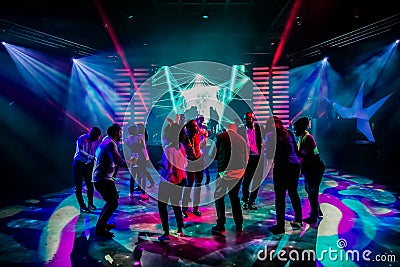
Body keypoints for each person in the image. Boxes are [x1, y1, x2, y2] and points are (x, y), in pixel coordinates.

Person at [92, 123, 133, 238]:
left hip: (102, 178)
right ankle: (100, 228)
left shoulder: (107, 140)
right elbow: (118, 161)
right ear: (116, 132)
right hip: (103, 179)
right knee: (113, 203)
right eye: (120, 132)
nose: (122, 134)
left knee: (111, 201)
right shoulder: (110, 144)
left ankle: (102, 224)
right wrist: (132, 163)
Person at [209, 124, 248, 236]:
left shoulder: (220, 137)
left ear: (225, 128)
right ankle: (239, 225)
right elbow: (246, 158)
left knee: (219, 196)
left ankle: (221, 224)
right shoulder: (242, 139)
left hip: (224, 173)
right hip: (239, 173)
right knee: (234, 198)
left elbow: (211, 154)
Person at [265, 116, 302, 235]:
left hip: (282, 167)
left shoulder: (270, 135)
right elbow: (296, 150)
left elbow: (270, 155)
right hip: (294, 166)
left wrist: (265, 151)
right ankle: (298, 220)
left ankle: (280, 227)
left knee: (280, 197)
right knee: (293, 192)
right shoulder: (289, 133)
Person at [157, 123, 187, 241]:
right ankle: (180, 230)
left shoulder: (168, 148)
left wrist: (160, 164)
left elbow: (168, 169)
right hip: (180, 179)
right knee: (176, 205)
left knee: (162, 206)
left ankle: (166, 233)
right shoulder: (181, 146)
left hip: (168, 181)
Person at [293, 117, 325, 224]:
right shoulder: (302, 137)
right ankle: (317, 211)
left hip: (315, 167)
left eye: (296, 129)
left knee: (312, 191)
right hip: (310, 167)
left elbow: (307, 155)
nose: (294, 131)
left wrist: (294, 151)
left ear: (301, 128)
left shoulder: (308, 138)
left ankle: (313, 216)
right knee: (309, 190)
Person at [238, 112, 264, 210]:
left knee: (257, 181)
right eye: (245, 119)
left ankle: (252, 201)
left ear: (253, 119)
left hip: (257, 158)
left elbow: (262, 142)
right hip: (247, 158)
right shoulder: (240, 130)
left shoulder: (259, 129)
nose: (247, 121)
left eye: (249, 119)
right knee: (246, 181)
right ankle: (245, 200)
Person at [72, 126, 101, 213]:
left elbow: (96, 151)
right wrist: (91, 157)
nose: (97, 139)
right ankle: (82, 206)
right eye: (96, 137)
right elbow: (81, 151)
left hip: (88, 165)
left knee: (90, 185)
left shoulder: (96, 141)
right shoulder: (82, 138)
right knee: (78, 187)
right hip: (78, 164)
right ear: (91, 134)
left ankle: (90, 204)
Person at [181, 119, 204, 217]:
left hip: (199, 161)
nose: (196, 127)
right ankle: (184, 209)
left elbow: (206, 133)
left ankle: (195, 208)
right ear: (188, 128)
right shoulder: (184, 137)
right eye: (194, 126)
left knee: (198, 185)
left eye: (196, 126)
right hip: (190, 162)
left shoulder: (198, 135)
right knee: (189, 185)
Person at [196, 115, 211, 185]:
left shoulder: (204, 127)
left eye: (202, 119)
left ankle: (207, 176)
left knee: (204, 163)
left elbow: (206, 137)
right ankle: (197, 178)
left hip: (202, 147)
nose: (201, 121)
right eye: (200, 119)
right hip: (196, 147)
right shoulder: (195, 127)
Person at [124, 125, 139, 198]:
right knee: (136, 175)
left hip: (133, 156)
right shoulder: (138, 137)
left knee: (133, 176)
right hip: (137, 156)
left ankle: (131, 192)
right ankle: (133, 192)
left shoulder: (128, 139)